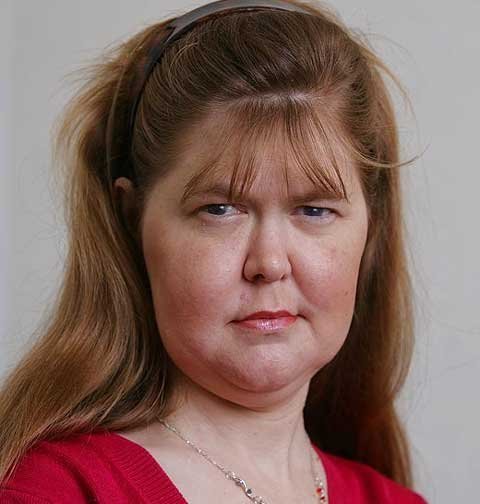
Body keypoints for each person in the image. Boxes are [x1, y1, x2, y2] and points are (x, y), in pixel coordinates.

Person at [0, 0, 428, 502]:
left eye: (314, 210)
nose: (269, 263)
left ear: (371, 227)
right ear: (131, 219)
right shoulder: (51, 491)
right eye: (220, 209)